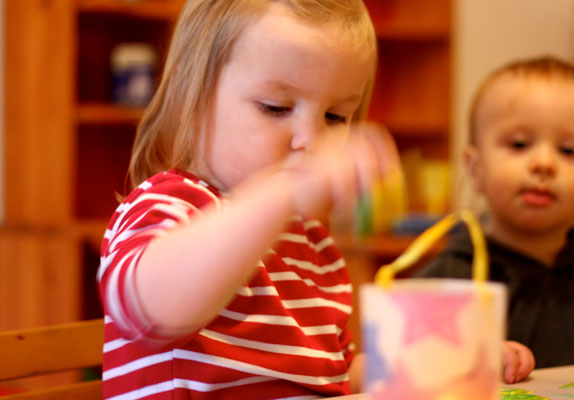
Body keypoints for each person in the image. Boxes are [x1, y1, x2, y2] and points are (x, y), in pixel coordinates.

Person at [97, 0, 400, 398]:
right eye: (276, 108)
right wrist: (281, 194)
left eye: (335, 117)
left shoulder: (314, 249)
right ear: (195, 100)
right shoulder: (168, 206)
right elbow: (151, 309)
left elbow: (334, 375)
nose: (311, 140)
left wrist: (436, 365)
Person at [416, 55, 574, 375]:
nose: (544, 163)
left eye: (568, 150)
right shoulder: (447, 282)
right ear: (476, 170)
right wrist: (466, 357)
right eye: (519, 144)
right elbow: (408, 369)